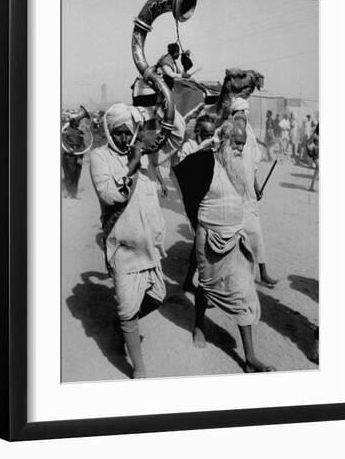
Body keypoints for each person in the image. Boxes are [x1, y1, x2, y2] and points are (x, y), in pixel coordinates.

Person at [90, 102, 184, 378]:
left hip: (149, 249)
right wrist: (132, 163)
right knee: (128, 308)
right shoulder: (100, 157)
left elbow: (176, 136)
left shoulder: (145, 153)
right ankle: (139, 368)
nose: (122, 137)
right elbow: (111, 196)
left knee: (157, 297)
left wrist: (166, 95)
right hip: (124, 250)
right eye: (117, 132)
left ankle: (123, 323)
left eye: (126, 132)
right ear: (109, 132)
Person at [173, 116, 274, 372]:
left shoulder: (239, 165)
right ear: (225, 140)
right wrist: (206, 147)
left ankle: (250, 356)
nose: (240, 148)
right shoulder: (207, 161)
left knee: (244, 293)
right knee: (206, 287)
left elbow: (248, 194)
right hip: (208, 237)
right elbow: (181, 171)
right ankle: (199, 325)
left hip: (235, 239)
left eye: (242, 144)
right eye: (236, 143)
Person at [230, 98, 278, 288]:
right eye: (243, 111)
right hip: (235, 191)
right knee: (233, 235)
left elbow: (253, 166)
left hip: (249, 192)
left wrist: (256, 186)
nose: (245, 114)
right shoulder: (232, 131)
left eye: (247, 111)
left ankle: (263, 272)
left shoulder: (248, 131)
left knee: (256, 232)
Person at [171, 114, 217, 292]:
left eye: (212, 134)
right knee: (202, 242)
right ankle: (200, 284)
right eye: (206, 135)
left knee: (202, 242)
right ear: (197, 132)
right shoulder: (188, 148)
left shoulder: (212, 145)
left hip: (209, 198)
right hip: (194, 201)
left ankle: (190, 279)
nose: (210, 138)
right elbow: (184, 177)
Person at [62, 115, 86, 199]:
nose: (78, 123)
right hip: (68, 155)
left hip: (79, 156)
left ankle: (73, 194)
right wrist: (69, 148)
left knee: (77, 175)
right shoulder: (66, 131)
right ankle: (67, 192)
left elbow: (83, 145)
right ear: (72, 123)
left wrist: (80, 155)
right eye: (76, 122)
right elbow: (63, 141)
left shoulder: (80, 132)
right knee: (69, 174)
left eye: (78, 122)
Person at [306, 123, 319, 192]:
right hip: (315, 154)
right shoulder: (314, 135)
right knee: (318, 167)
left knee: (317, 170)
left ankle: (312, 186)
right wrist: (311, 149)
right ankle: (312, 186)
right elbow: (308, 143)